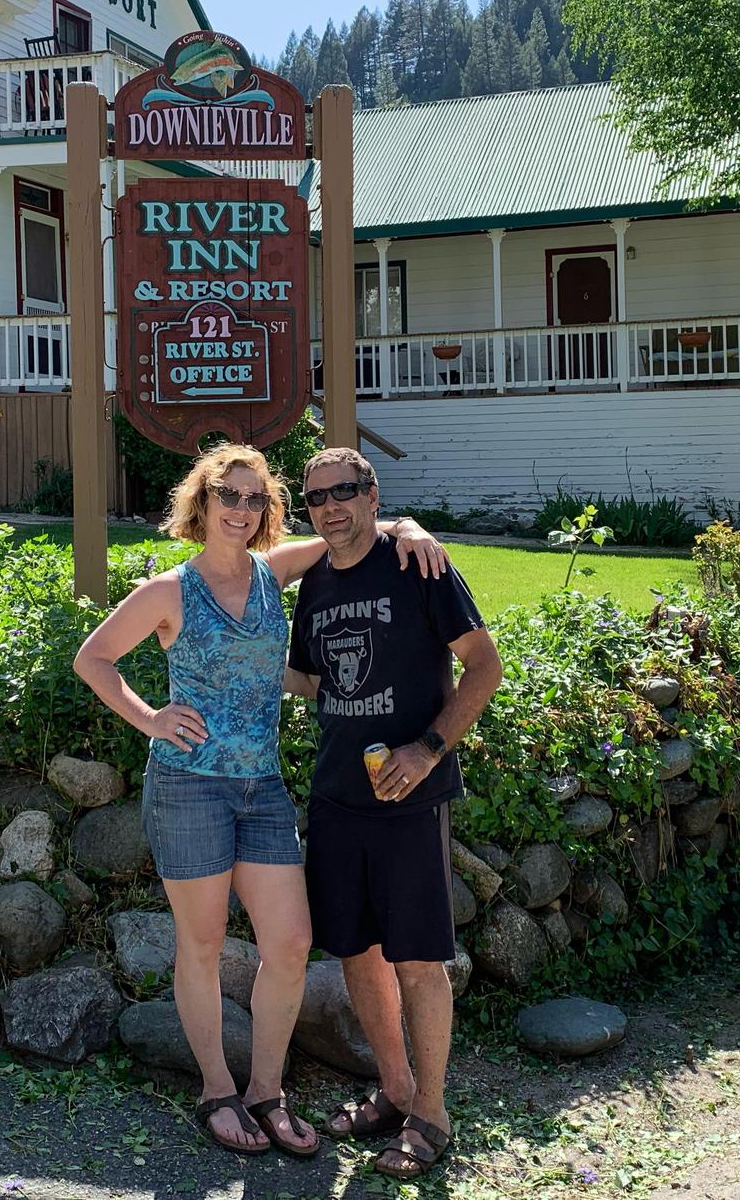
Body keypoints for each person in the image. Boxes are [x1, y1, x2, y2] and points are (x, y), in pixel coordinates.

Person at [71, 442, 446, 1159]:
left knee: (292, 943)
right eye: (227, 497)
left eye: (254, 499)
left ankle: (265, 1091)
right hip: (189, 786)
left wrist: (409, 528)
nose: (240, 511)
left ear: (265, 510)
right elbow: (92, 657)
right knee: (204, 943)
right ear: (202, 504)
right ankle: (217, 1088)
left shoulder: (276, 574)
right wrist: (151, 717)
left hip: (261, 788)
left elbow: (356, 529)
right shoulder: (169, 591)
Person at [284, 446, 503, 1180]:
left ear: (373, 495)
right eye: (317, 498)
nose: (331, 506)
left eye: (345, 491)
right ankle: (395, 1088)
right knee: (354, 949)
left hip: (411, 797)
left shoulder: (418, 565)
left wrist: (428, 749)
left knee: (417, 958)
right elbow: (319, 684)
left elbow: (485, 665)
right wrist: (236, 658)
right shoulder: (312, 583)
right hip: (338, 794)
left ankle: (432, 1114)